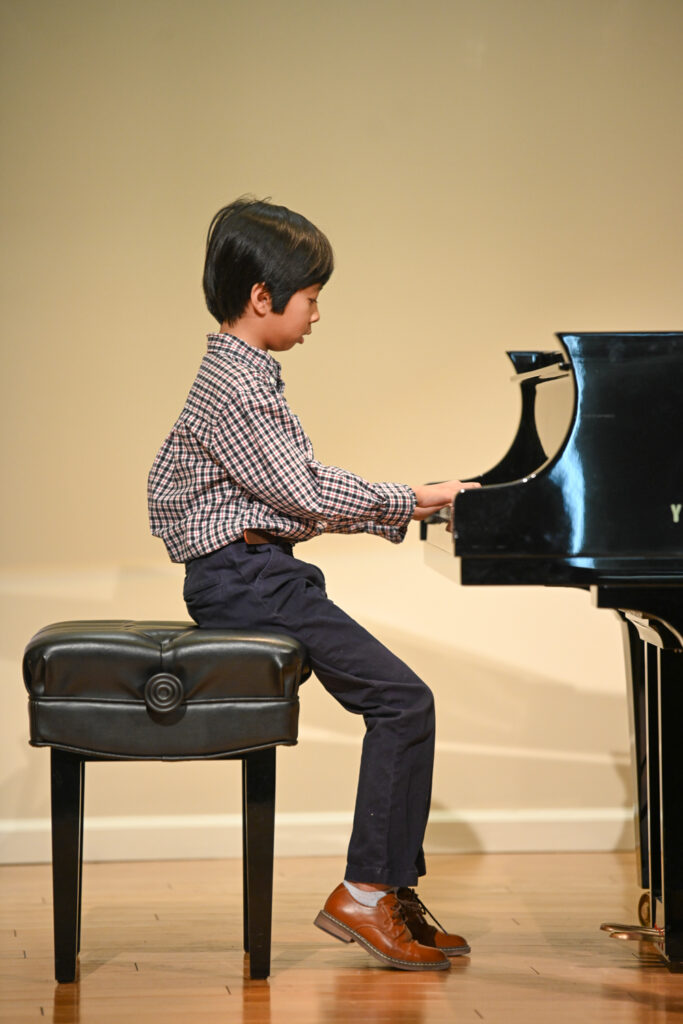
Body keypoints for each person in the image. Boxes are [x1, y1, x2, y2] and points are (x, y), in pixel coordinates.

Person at [148, 197, 479, 972]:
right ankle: (366, 893)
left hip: (255, 572)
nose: (317, 314)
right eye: (310, 297)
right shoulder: (237, 387)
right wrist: (411, 497)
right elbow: (302, 492)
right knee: (402, 702)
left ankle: (388, 890)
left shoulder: (241, 377)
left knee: (402, 701)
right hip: (246, 577)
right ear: (262, 297)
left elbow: (291, 489)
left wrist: (401, 501)